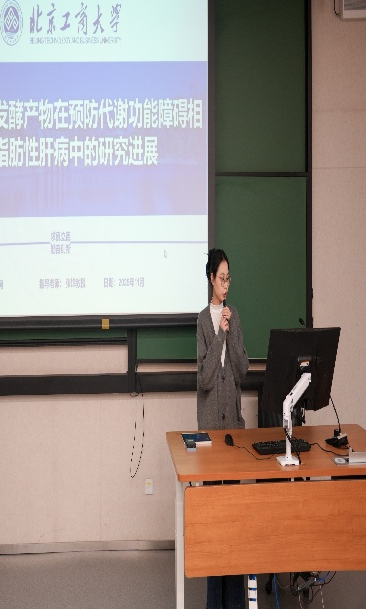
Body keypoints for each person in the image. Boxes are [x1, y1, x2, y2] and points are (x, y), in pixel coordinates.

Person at [197, 248, 249, 609]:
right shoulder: (203, 321)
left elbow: (242, 370)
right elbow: (204, 379)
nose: (226, 284)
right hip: (209, 433)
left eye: (229, 278)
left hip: (233, 430)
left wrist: (232, 336)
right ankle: (215, 603)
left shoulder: (236, 317)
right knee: (214, 523)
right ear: (211, 279)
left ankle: (236, 602)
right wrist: (219, 334)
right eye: (222, 278)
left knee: (235, 522)